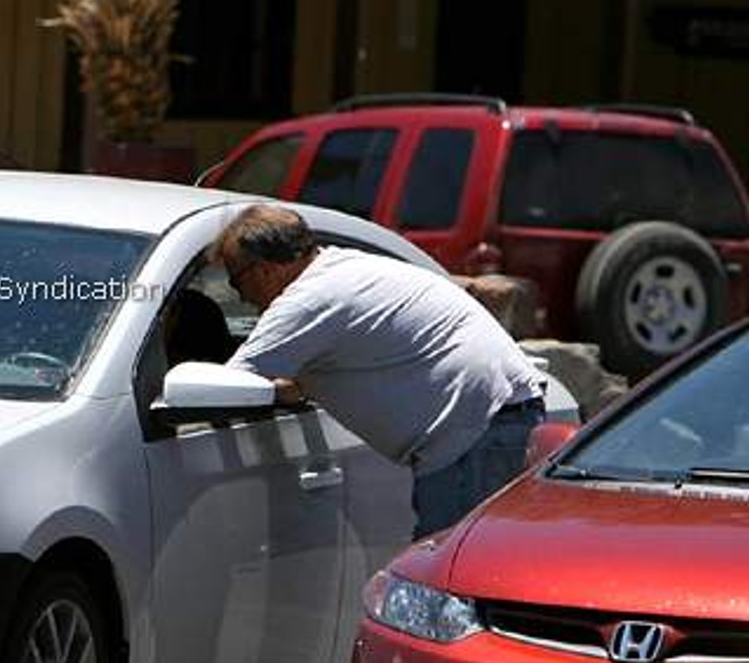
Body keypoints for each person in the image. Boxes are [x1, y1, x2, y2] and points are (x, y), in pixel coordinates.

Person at [217, 203, 545, 537]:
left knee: (451, 576)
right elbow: (312, 378)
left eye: (234, 281)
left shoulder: (308, 299)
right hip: (500, 420)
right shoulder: (344, 268)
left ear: (262, 270)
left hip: (472, 438)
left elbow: (225, 387)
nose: (241, 299)